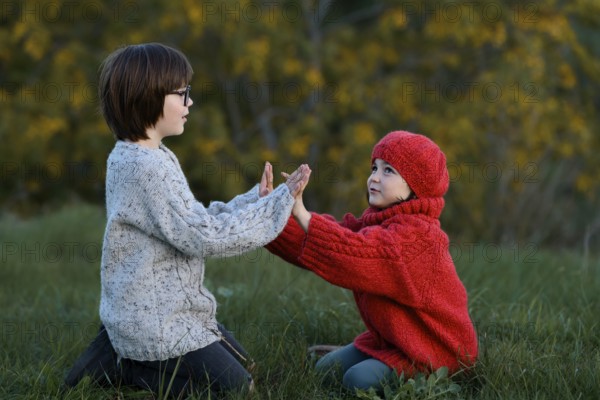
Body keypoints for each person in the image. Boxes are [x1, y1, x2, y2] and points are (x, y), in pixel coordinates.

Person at [64, 42, 311, 397]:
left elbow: (192, 218)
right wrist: (278, 204)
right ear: (147, 97)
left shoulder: (146, 156)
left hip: (166, 309)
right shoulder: (145, 168)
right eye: (182, 94)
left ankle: (122, 351)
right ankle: (128, 364)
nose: (189, 103)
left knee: (246, 367)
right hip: (153, 321)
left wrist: (253, 201)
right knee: (240, 389)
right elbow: (203, 236)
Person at [265, 130, 478, 393]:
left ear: (416, 186)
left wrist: (302, 213)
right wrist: (271, 215)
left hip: (432, 351)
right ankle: (370, 358)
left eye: (388, 171)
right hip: (393, 340)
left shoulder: (419, 238)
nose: (374, 178)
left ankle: (431, 378)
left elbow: (357, 254)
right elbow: (334, 241)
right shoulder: (380, 222)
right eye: (374, 167)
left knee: (357, 380)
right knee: (325, 371)